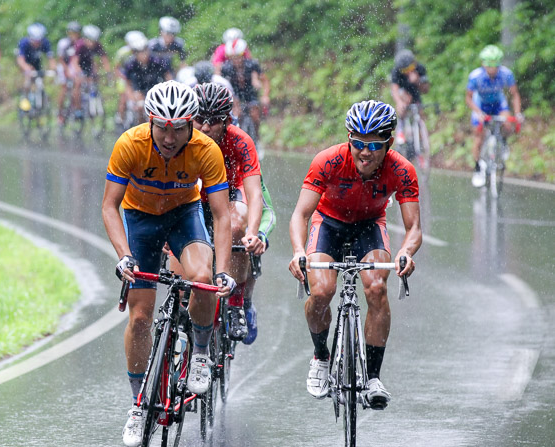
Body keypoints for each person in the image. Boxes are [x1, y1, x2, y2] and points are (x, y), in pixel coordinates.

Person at [102, 80, 234, 447]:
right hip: (140, 219)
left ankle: (202, 354)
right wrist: (124, 256)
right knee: (140, 317)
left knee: (203, 277)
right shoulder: (130, 144)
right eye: (162, 126)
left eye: (179, 128)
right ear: (150, 122)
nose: (170, 136)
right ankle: (138, 404)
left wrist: (223, 270)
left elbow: (222, 216)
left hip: (183, 215)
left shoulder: (206, 150)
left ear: (191, 123)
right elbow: (110, 206)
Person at [288, 100, 421, 410]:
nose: (364, 152)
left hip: (369, 225)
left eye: (373, 145)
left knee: (376, 287)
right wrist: (298, 252)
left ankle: (373, 377)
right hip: (329, 223)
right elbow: (300, 214)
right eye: (358, 143)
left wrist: (405, 252)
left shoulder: (402, 169)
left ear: (388, 142)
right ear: (349, 138)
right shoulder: (328, 161)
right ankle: (321, 356)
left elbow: (414, 227)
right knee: (321, 291)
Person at [182, 82, 268, 342]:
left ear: (228, 121)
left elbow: (254, 194)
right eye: (199, 120)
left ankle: (237, 302)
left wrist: (252, 233)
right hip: (194, 195)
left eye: (214, 121)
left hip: (229, 194)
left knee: (236, 226)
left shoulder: (241, 141)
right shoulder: (183, 138)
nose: (206, 127)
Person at [466, 44, 523, 188]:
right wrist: (478, 113)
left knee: (508, 122)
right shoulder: (475, 76)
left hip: (498, 104)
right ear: (483, 64)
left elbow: (514, 94)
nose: (493, 69)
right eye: (489, 65)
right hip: (481, 105)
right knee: (478, 137)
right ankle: (478, 167)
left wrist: (517, 113)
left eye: (496, 65)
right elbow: (468, 98)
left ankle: (502, 141)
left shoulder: (506, 74)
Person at [220, 38, 270, 140]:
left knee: (255, 114)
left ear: (243, 55)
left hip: (250, 93)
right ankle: (235, 138)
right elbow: (222, 84)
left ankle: (257, 137)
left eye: (238, 57)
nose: (236, 60)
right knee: (236, 114)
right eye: (233, 58)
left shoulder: (252, 64)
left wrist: (265, 95)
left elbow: (265, 81)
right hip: (235, 94)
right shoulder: (226, 68)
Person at [121, 33, 172, 126]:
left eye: (144, 50)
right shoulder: (130, 65)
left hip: (156, 87)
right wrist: (132, 99)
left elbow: (168, 77)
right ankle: (141, 128)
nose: (143, 54)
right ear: (134, 53)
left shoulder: (157, 60)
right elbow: (128, 85)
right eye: (139, 51)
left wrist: (170, 92)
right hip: (139, 89)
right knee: (140, 107)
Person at [16, 23, 55, 98]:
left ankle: (42, 98)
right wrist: (26, 67)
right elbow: (20, 60)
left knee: (41, 81)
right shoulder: (24, 43)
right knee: (27, 81)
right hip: (26, 63)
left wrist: (53, 69)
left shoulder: (45, 42)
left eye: (39, 41)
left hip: (37, 63)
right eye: (35, 41)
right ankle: (25, 99)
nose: (37, 43)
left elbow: (51, 58)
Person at [390, 49, 429, 121]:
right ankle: (401, 125)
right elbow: (394, 89)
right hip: (402, 90)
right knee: (403, 105)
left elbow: (426, 90)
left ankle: (419, 126)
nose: (409, 72)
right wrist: (399, 102)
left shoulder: (420, 68)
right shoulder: (396, 71)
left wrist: (417, 81)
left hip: (415, 90)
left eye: (411, 68)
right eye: (405, 70)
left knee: (420, 112)